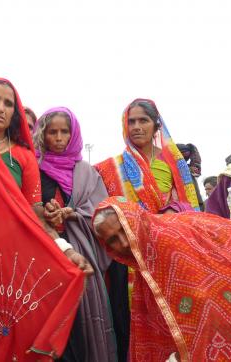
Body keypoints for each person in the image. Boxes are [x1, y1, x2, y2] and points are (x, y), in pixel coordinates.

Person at [93, 196, 231, 361]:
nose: (123, 243)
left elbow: (200, 303)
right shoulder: (147, 258)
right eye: (112, 240)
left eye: (125, 230)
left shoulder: (165, 242)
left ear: (135, 220)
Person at [0, 78, 88, 360]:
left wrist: (66, 250)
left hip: (10, 260)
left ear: (15, 112)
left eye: (8, 103)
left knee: (9, 330)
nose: (0, 108)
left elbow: (35, 214)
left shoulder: (23, 157)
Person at [95, 98, 200, 361]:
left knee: (174, 315)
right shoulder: (111, 168)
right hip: (130, 257)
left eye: (144, 120)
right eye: (131, 121)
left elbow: (189, 204)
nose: (137, 126)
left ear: (156, 126)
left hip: (169, 250)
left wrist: (168, 215)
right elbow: (104, 205)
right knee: (130, 317)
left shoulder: (174, 164)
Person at [33, 107, 117, 361]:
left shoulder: (87, 173)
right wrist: (47, 213)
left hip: (83, 255)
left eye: (64, 132)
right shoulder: (34, 168)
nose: (58, 138)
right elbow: (29, 205)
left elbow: (102, 212)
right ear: (42, 135)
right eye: (52, 132)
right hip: (47, 254)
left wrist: (73, 214)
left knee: (84, 321)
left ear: (74, 135)